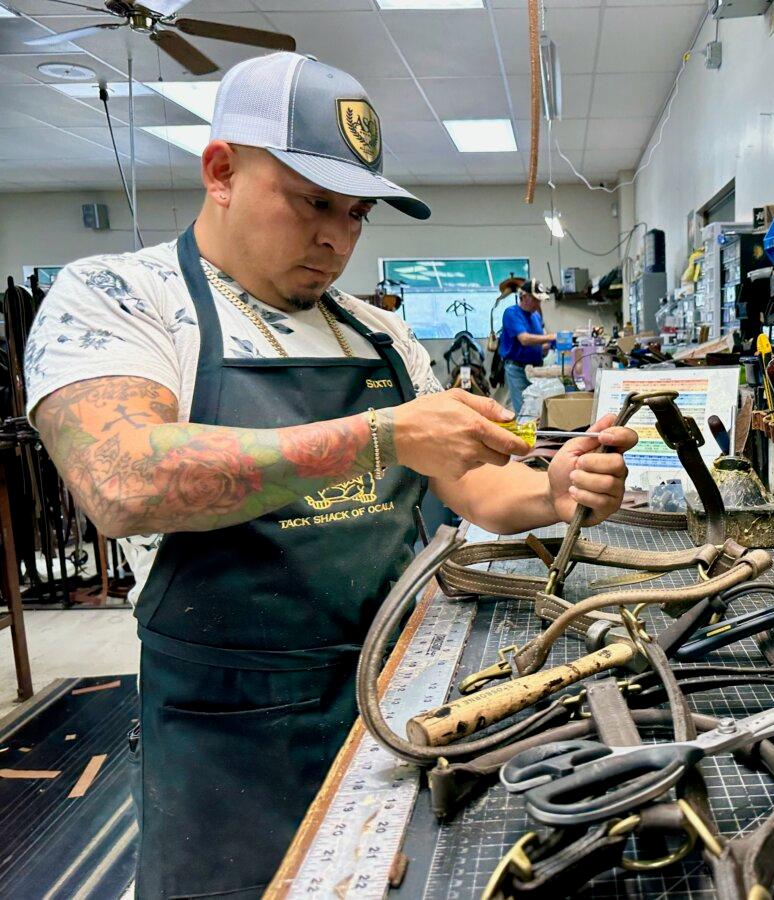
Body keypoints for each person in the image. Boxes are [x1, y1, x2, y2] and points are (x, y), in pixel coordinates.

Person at [23, 52, 636, 900]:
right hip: (231, 731)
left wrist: (555, 492)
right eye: (312, 203)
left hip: (398, 692)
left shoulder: (378, 336)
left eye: (354, 215)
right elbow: (123, 481)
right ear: (221, 170)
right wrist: (384, 434)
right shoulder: (121, 299)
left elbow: (477, 492)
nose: (335, 240)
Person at [498, 278, 557, 416]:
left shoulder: (535, 316)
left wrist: (549, 345)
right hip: (517, 369)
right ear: (524, 296)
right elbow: (524, 339)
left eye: (539, 300)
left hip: (534, 369)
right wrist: (552, 337)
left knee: (536, 411)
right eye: (535, 300)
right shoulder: (511, 313)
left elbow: (541, 342)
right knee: (525, 412)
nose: (538, 304)